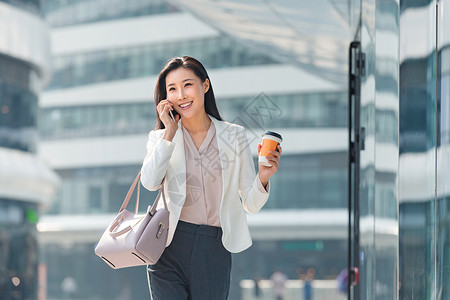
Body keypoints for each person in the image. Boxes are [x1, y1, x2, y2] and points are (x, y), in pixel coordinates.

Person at [141, 56, 282, 300]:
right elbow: (150, 182)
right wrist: (169, 133)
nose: (181, 95)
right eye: (172, 89)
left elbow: (250, 203)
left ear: (204, 86)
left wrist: (263, 177)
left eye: (187, 85)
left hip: (213, 247)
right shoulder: (161, 138)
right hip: (167, 247)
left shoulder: (233, 136)